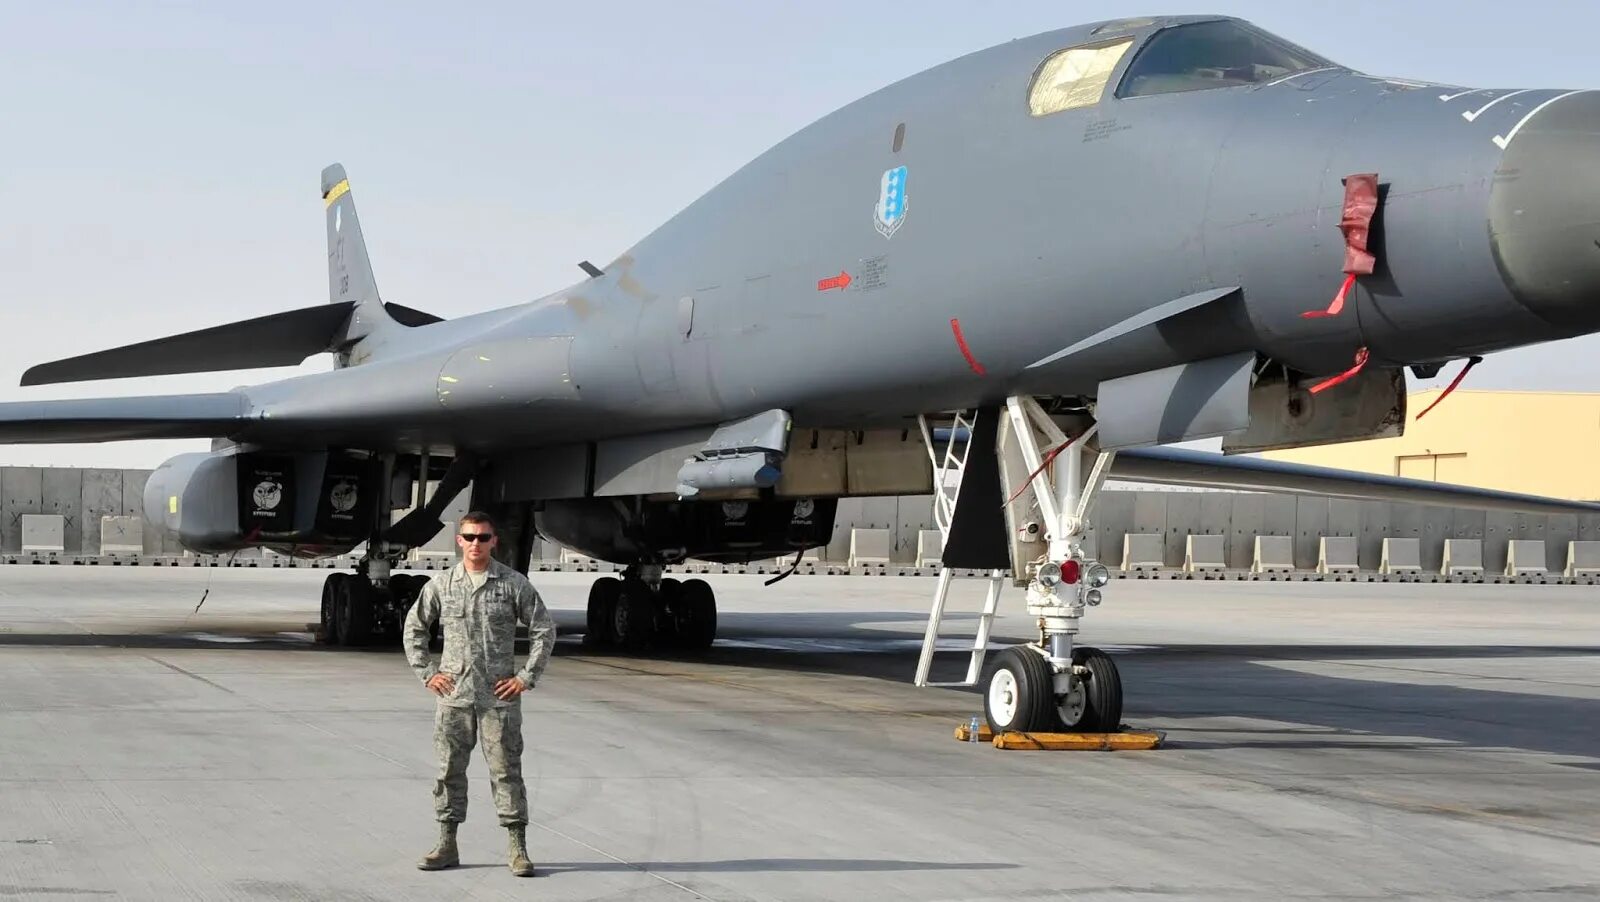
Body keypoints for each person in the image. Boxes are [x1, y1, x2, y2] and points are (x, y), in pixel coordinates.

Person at [402, 511, 556, 877]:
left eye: (483, 537)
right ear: (459, 540)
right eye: (469, 537)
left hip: (498, 699)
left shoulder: (512, 584)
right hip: (454, 696)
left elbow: (543, 630)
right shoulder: (441, 585)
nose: (476, 544)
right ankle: (447, 843)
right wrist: (428, 674)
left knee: (506, 773)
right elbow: (414, 629)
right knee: (448, 771)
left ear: (494, 541)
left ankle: (517, 848)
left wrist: (525, 678)